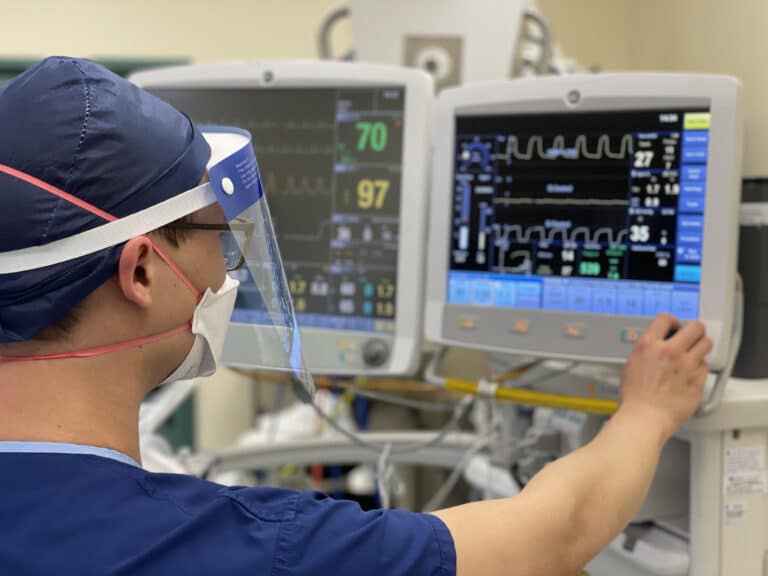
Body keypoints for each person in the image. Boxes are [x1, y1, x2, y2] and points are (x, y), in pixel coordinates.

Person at [0, 57, 712, 576]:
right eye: (220, 233)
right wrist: (648, 411)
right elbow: (555, 536)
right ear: (145, 270)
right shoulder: (243, 549)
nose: (228, 267)